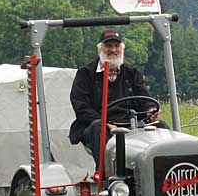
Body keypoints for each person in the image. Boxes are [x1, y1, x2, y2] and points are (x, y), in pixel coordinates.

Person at [69, 28, 168, 166]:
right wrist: (105, 123)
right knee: (99, 127)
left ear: (122, 48)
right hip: (97, 125)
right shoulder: (85, 74)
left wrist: (151, 111)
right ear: (100, 48)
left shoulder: (132, 73)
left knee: (161, 126)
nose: (113, 50)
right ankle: (105, 174)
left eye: (116, 46)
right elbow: (81, 108)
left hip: (131, 123)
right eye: (108, 46)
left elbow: (144, 98)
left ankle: (163, 172)